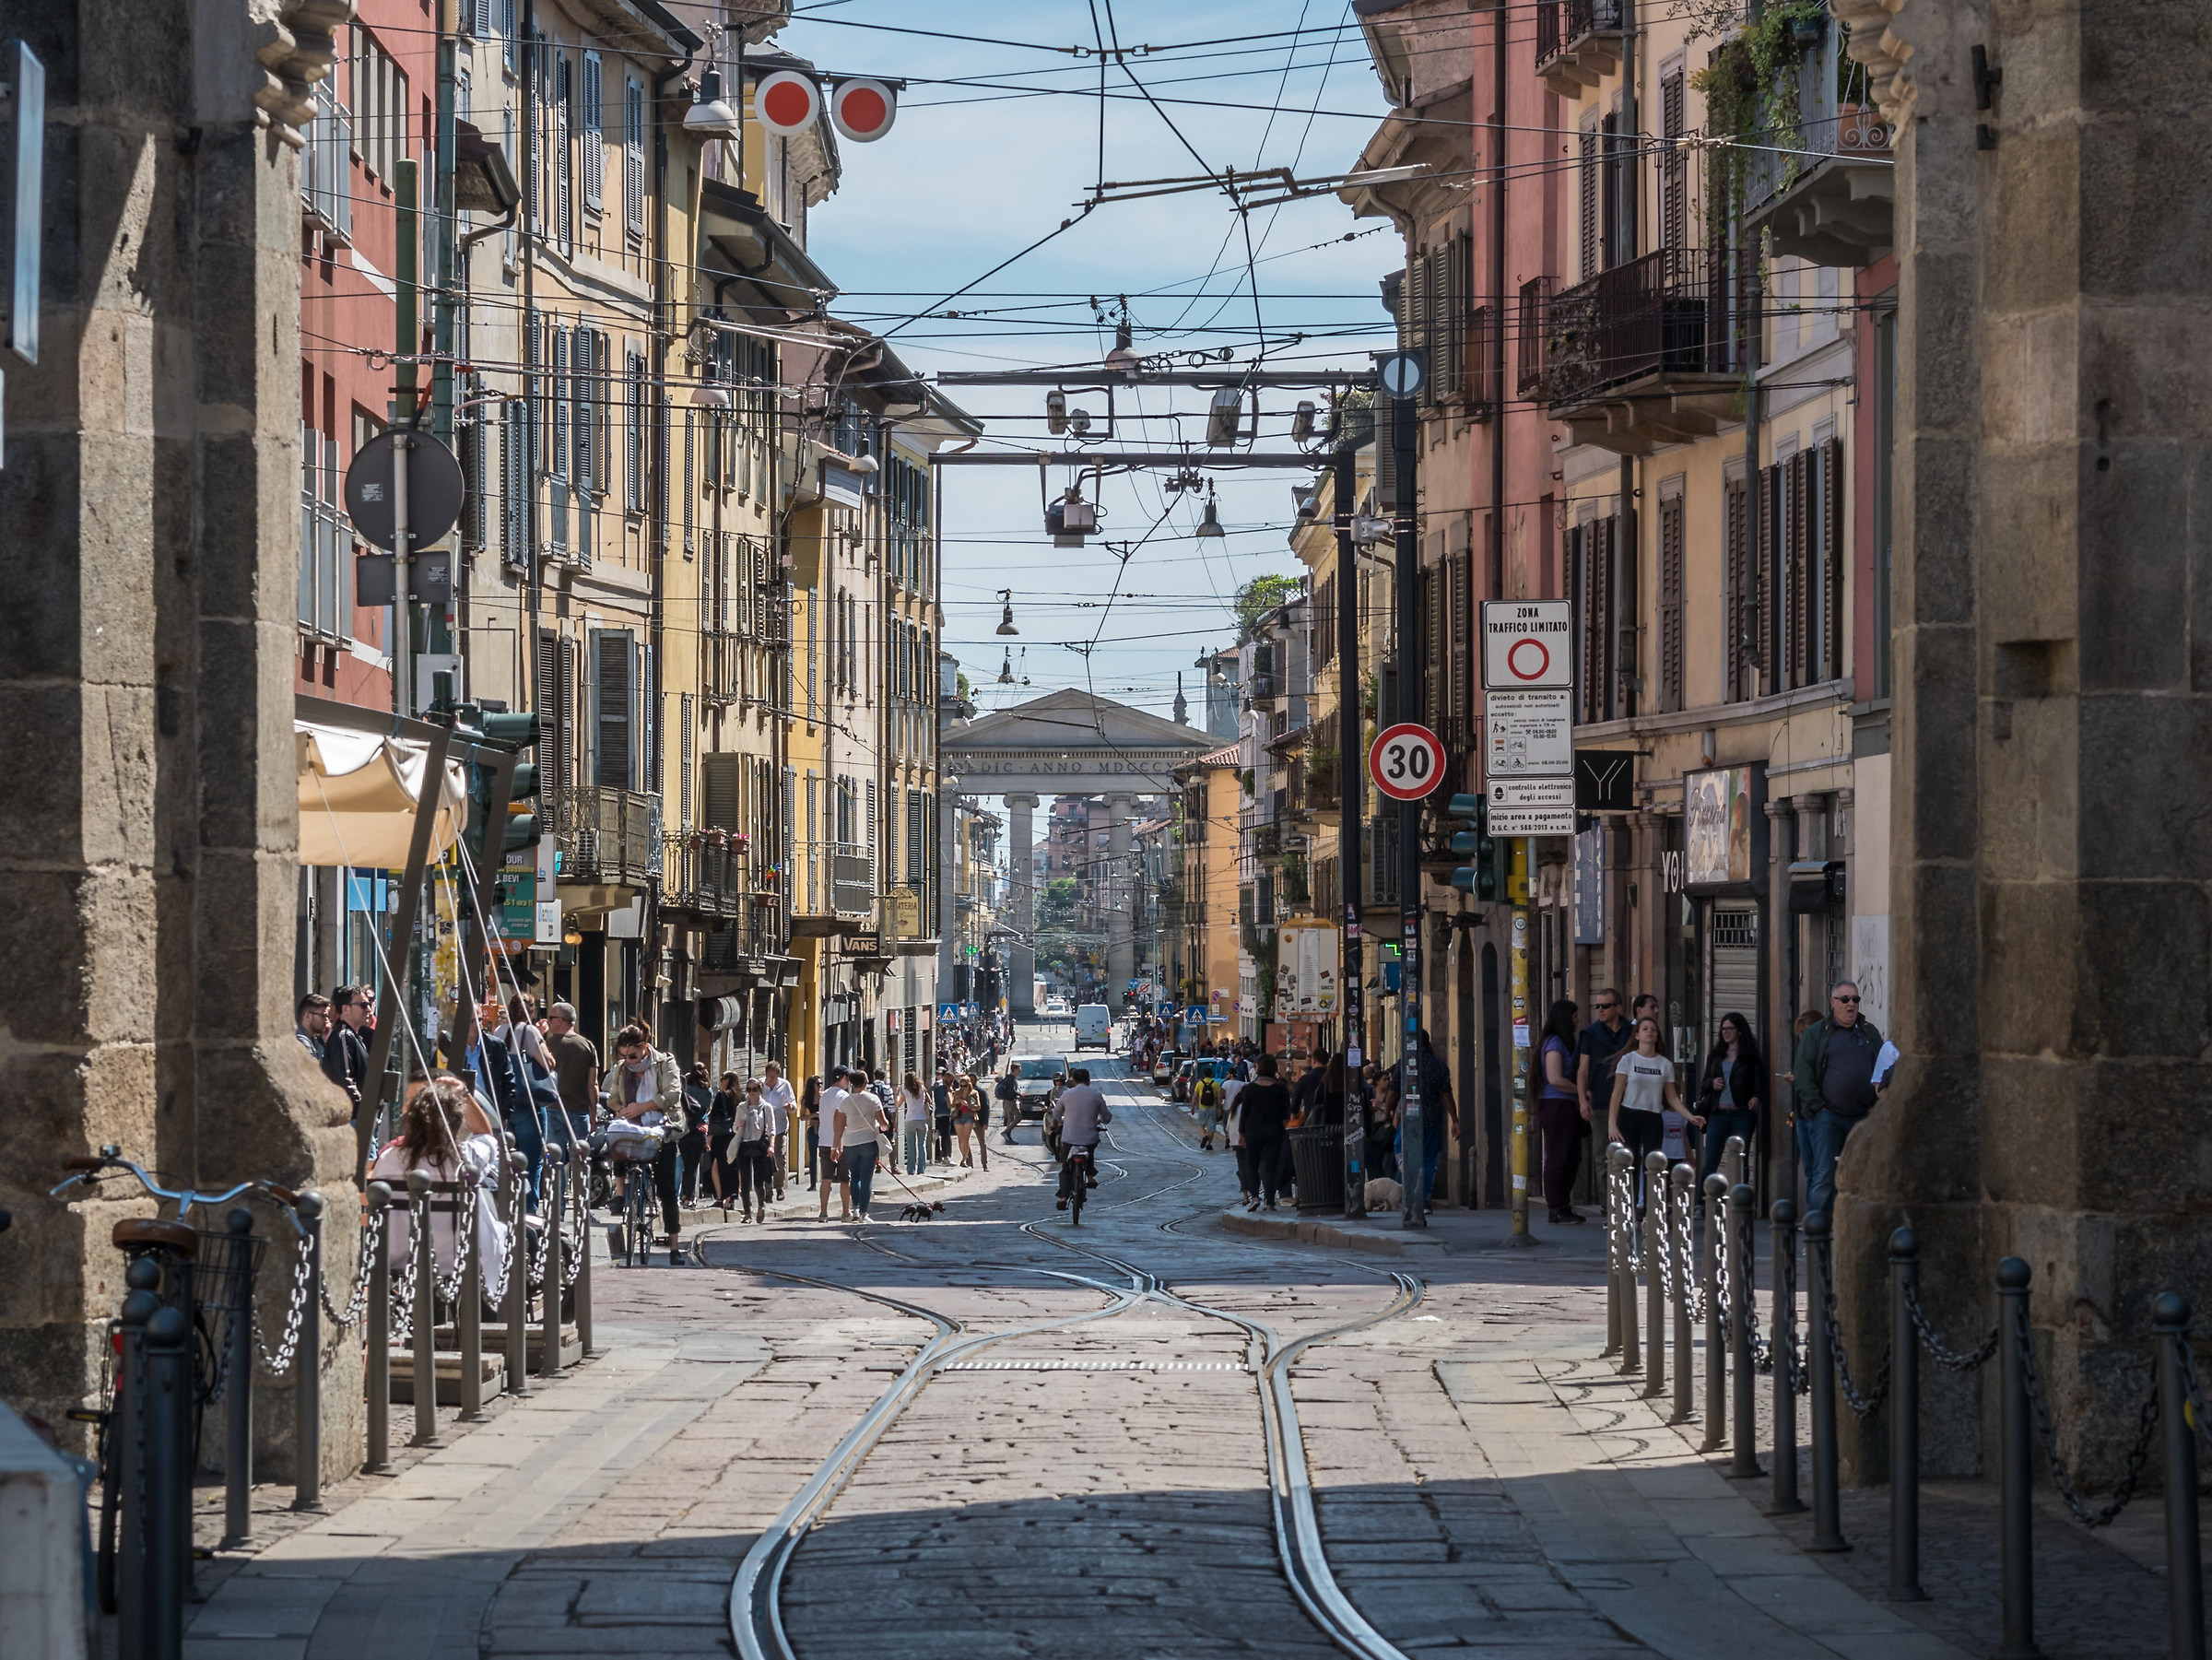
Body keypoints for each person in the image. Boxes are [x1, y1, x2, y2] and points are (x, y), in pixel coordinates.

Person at [370, 1075, 510, 1283]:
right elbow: (487, 1136)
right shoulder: (465, 1156)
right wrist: (465, 1094)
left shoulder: (389, 1158)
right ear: (456, 1122)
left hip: (398, 1261)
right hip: (460, 1261)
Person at [1792, 981, 1886, 1222]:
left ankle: (1858, 1232)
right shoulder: (1817, 1033)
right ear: (1833, 1003)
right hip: (1828, 1117)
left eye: (1855, 999)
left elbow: (1882, 1066)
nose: (1851, 1004)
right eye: (1845, 999)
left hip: (1863, 1116)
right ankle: (1817, 1237)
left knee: (1863, 1174)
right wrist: (1819, 1107)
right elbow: (1803, 1073)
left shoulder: (1869, 1032)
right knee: (1824, 1175)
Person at [609, 1023, 687, 1262]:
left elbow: (673, 1094)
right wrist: (621, 1109)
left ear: (644, 1047)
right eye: (623, 1056)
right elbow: (612, 1098)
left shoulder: (664, 1064)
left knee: (667, 1191)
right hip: (634, 1127)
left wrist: (643, 1107)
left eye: (632, 1056)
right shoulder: (621, 1070)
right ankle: (621, 1193)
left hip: (662, 1127)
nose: (629, 1061)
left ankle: (674, 1247)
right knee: (617, 1135)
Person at [1609, 1016, 1698, 1209]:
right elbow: (1617, 1093)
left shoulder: (1664, 1064)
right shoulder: (1628, 1060)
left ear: (1657, 1036)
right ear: (1637, 1035)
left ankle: (1651, 1210)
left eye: (1653, 1030)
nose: (1650, 1032)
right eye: (1645, 1029)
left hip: (1653, 1118)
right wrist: (1612, 1123)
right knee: (1628, 1164)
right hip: (1629, 1114)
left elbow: (1673, 1098)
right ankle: (1625, 1209)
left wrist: (1689, 1116)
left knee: (1653, 1165)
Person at [1697, 1012, 1764, 1190]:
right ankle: (1702, 1203)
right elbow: (1703, 1085)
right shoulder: (1716, 1055)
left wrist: (1756, 1098)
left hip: (1741, 1114)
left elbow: (1759, 1084)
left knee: (1740, 1158)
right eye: (1723, 1029)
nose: (1726, 1032)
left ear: (1740, 1031)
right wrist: (1712, 1083)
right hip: (1717, 1115)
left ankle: (1740, 1201)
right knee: (1711, 1159)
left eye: (1730, 1029)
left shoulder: (1750, 1057)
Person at [1536, 998, 1586, 1224]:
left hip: (1568, 1105)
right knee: (1558, 1156)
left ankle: (1563, 1204)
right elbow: (1555, 1078)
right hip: (1557, 1105)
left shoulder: (1567, 1042)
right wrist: (1582, 1091)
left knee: (1572, 1156)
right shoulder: (1555, 1043)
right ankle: (1555, 1207)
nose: (1577, 1021)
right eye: (1574, 1017)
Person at [1238, 1054, 1295, 1212]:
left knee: (1251, 1164)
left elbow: (1244, 1113)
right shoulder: (1280, 1090)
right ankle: (1269, 1201)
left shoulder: (1249, 1089)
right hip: (1274, 1132)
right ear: (1274, 1070)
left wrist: (1241, 1133)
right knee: (1270, 1166)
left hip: (1253, 1131)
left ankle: (1255, 1196)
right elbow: (1285, 1115)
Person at [830, 1069, 889, 1222]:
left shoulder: (845, 1102)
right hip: (868, 1143)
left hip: (850, 1143)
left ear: (851, 1083)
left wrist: (834, 1146)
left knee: (854, 1177)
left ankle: (855, 1210)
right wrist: (882, 1127)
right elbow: (884, 1123)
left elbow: (839, 1127)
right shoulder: (873, 1099)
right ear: (865, 1083)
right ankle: (864, 1213)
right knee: (866, 1179)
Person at [1576, 989, 1632, 1140]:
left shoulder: (1632, 1033)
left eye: (1605, 1006)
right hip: (1600, 1101)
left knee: (1627, 1152)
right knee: (1602, 1154)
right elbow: (1583, 1070)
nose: (1600, 1010)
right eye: (1598, 1006)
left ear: (1618, 1008)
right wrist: (1582, 1101)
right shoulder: (1590, 1034)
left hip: (1629, 1102)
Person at [1053, 1066, 1112, 1209]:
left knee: (1066, 1169)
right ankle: (1090, 1176)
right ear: (1089, 1081)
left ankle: (1063, 1197)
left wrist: (1057, 1124)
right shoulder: (1096, 1095)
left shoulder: (1066, 1095)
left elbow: (1056, 1113)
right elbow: (1106, 1117)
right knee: (1091, 1147)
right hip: (1088, 1137)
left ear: (1073, 1081)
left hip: (1068, 1138)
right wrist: (1099, 1120)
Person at [541, 1003, 600, 1143]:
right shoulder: (587, 1046)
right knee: (579, 1157)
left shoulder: (546, 1045)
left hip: (553, 1108)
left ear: (560, 1020)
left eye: (551, 1017)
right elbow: (593, 1084)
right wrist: (594, 1113)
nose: (548, 1021)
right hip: (579, 1110)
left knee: (555, 1157)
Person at [727, 1078, 775, 1222]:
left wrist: (771, 1145)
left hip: (759, 1145)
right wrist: (739, 1125)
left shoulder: (766, 1107)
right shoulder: (741, 1107)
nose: (752, 1093)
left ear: (760, 1090)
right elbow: (734, 1127)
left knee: (758, 1180)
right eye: (749, 1090)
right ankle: (747, 1213)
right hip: (744, 1145)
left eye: (754, 1089)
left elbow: (772, 1129)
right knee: (745, 1180)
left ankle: (761, 1205)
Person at [322, 985, 371, 1119]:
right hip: (354, 1119)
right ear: (345, 1009)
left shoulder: (352, 1036)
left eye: (369, 1004)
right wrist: (364, 1109)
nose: (369, 1009)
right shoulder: (343, 1036)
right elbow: (345, 1079)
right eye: (363, 1005)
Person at [677, 1062, 713, 1207]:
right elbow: (705, 1110)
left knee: (684, 1165)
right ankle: (689, 1197)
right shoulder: (708, 1091)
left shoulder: (686, 1088)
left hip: (685, 1128)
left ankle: (684, 1194)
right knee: (693, 1166)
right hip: (700, 1130)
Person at [816, 1071, 851, 1219]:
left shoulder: (825, 1095)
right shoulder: (843, 1096)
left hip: (823, 1141)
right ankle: (845, 1212)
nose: (848, 1082)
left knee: (826, 1178)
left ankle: (823, 1212)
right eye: (848, 1079)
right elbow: (840, 1120)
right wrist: (838, 1144)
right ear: (843, 1078)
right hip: (839, 1143)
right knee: (845, 1179)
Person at [706, 1071, 741, 1212]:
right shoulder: (740, 1097)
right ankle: (731, 1197)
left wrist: (709, 1136)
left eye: (722, 1079)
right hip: (735, 1135)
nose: (720, 1081)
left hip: (721, 1136)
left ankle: (720, 1197)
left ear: (728, 1080)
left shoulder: (721, 1096)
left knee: (716, 1166)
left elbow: (714, 1116)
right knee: (732, 1167)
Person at [760, 1062, 795, 1199]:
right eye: (769, 1077)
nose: (771, 1080)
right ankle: (767, 1188)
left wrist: (789, 1106)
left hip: (780, 1127)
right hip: (763, 1128)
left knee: (779, 1157)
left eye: (774, 1078)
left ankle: (779, 1187)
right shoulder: (759, 1085)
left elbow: (794, 1105)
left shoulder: (785, 1085)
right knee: (764, 1159)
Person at [899, 1071, 932, 1175]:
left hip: (910, 1120)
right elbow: (929, 1100)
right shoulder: (922, 1089)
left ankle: (911, 1169)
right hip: (922, 1119)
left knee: (911, 1146)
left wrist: (897, 1094)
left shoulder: (906, 1091)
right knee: (922, 1145)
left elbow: (897, 1104)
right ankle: (921, 1169)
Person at [952, 1073, 986, 1168]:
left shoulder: (974, 1093)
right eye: (961, 1086)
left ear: (969, 1084)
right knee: (960, 1140)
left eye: (965, 1086)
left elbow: (978, 1106)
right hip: (958, 1116)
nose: (963, 1088)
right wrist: (957, 1101)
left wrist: (968, 1105)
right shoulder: (957, 1092)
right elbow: (951, 1104)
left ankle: (963, 1160)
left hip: (969, 1116)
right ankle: (965, 1158)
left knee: (966, 1139)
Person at [295, 993, 331, 1061]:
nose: (327, 1020)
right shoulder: (300, 1041)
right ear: (308, 1016)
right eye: (323, 1016)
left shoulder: (314, 1040)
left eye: (327, 1016)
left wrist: (323, 1041)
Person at [931, 1066, 955, 1164]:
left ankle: (941, 1155)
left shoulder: (944, 1086)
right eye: (951, 1080)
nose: (952, 1082)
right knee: (945, 1135)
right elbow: (941, 1101)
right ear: (946, 1077)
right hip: (943, 1113)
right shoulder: (941, 1087)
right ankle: (945, 1156)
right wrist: (949, 1095)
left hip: (945, 1113)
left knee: (944, 1134)